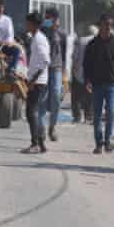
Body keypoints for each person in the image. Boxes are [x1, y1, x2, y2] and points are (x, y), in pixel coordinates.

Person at [84, 14, 114, 154]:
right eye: (105, 25)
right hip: (96, 84)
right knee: (96, 116)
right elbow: (87, 64)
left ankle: (107, 142)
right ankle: (98, 143)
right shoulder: (93, 44)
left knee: (110, 115)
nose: (107, 27)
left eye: (109, 25)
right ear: (100, 26)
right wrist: (87, 80)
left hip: (111, 84)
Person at [22, 12, 51, 154]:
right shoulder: (35, 38)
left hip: (38, 81)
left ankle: (36, 143)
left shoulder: (39, 39)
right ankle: (40, 143)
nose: (26, 25)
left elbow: (45, 61)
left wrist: (33, 80)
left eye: (28, 23)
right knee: (33, 112)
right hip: (35, 79)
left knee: (31, 112)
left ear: (34, 24)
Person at [40, 8, 67, 142]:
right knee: (43, 99)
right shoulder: (41, 32)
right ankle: (42, 129)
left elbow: (64, 54)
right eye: (46, 18)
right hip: (43, 68)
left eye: (50, 18)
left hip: (56, 67)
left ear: (56, 19)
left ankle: (52, 126)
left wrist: (64, 74)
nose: (48, 21)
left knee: (56, 95)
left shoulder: (62, 34)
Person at [71, 25, 97, 123]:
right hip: (92, 73)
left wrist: (73, 68)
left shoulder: (80, 41)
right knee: (89, 95)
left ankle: (77, 116)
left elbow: (75, 57)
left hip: (79, 71)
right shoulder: (97, 42)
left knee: (76, 96)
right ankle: (88, 116)